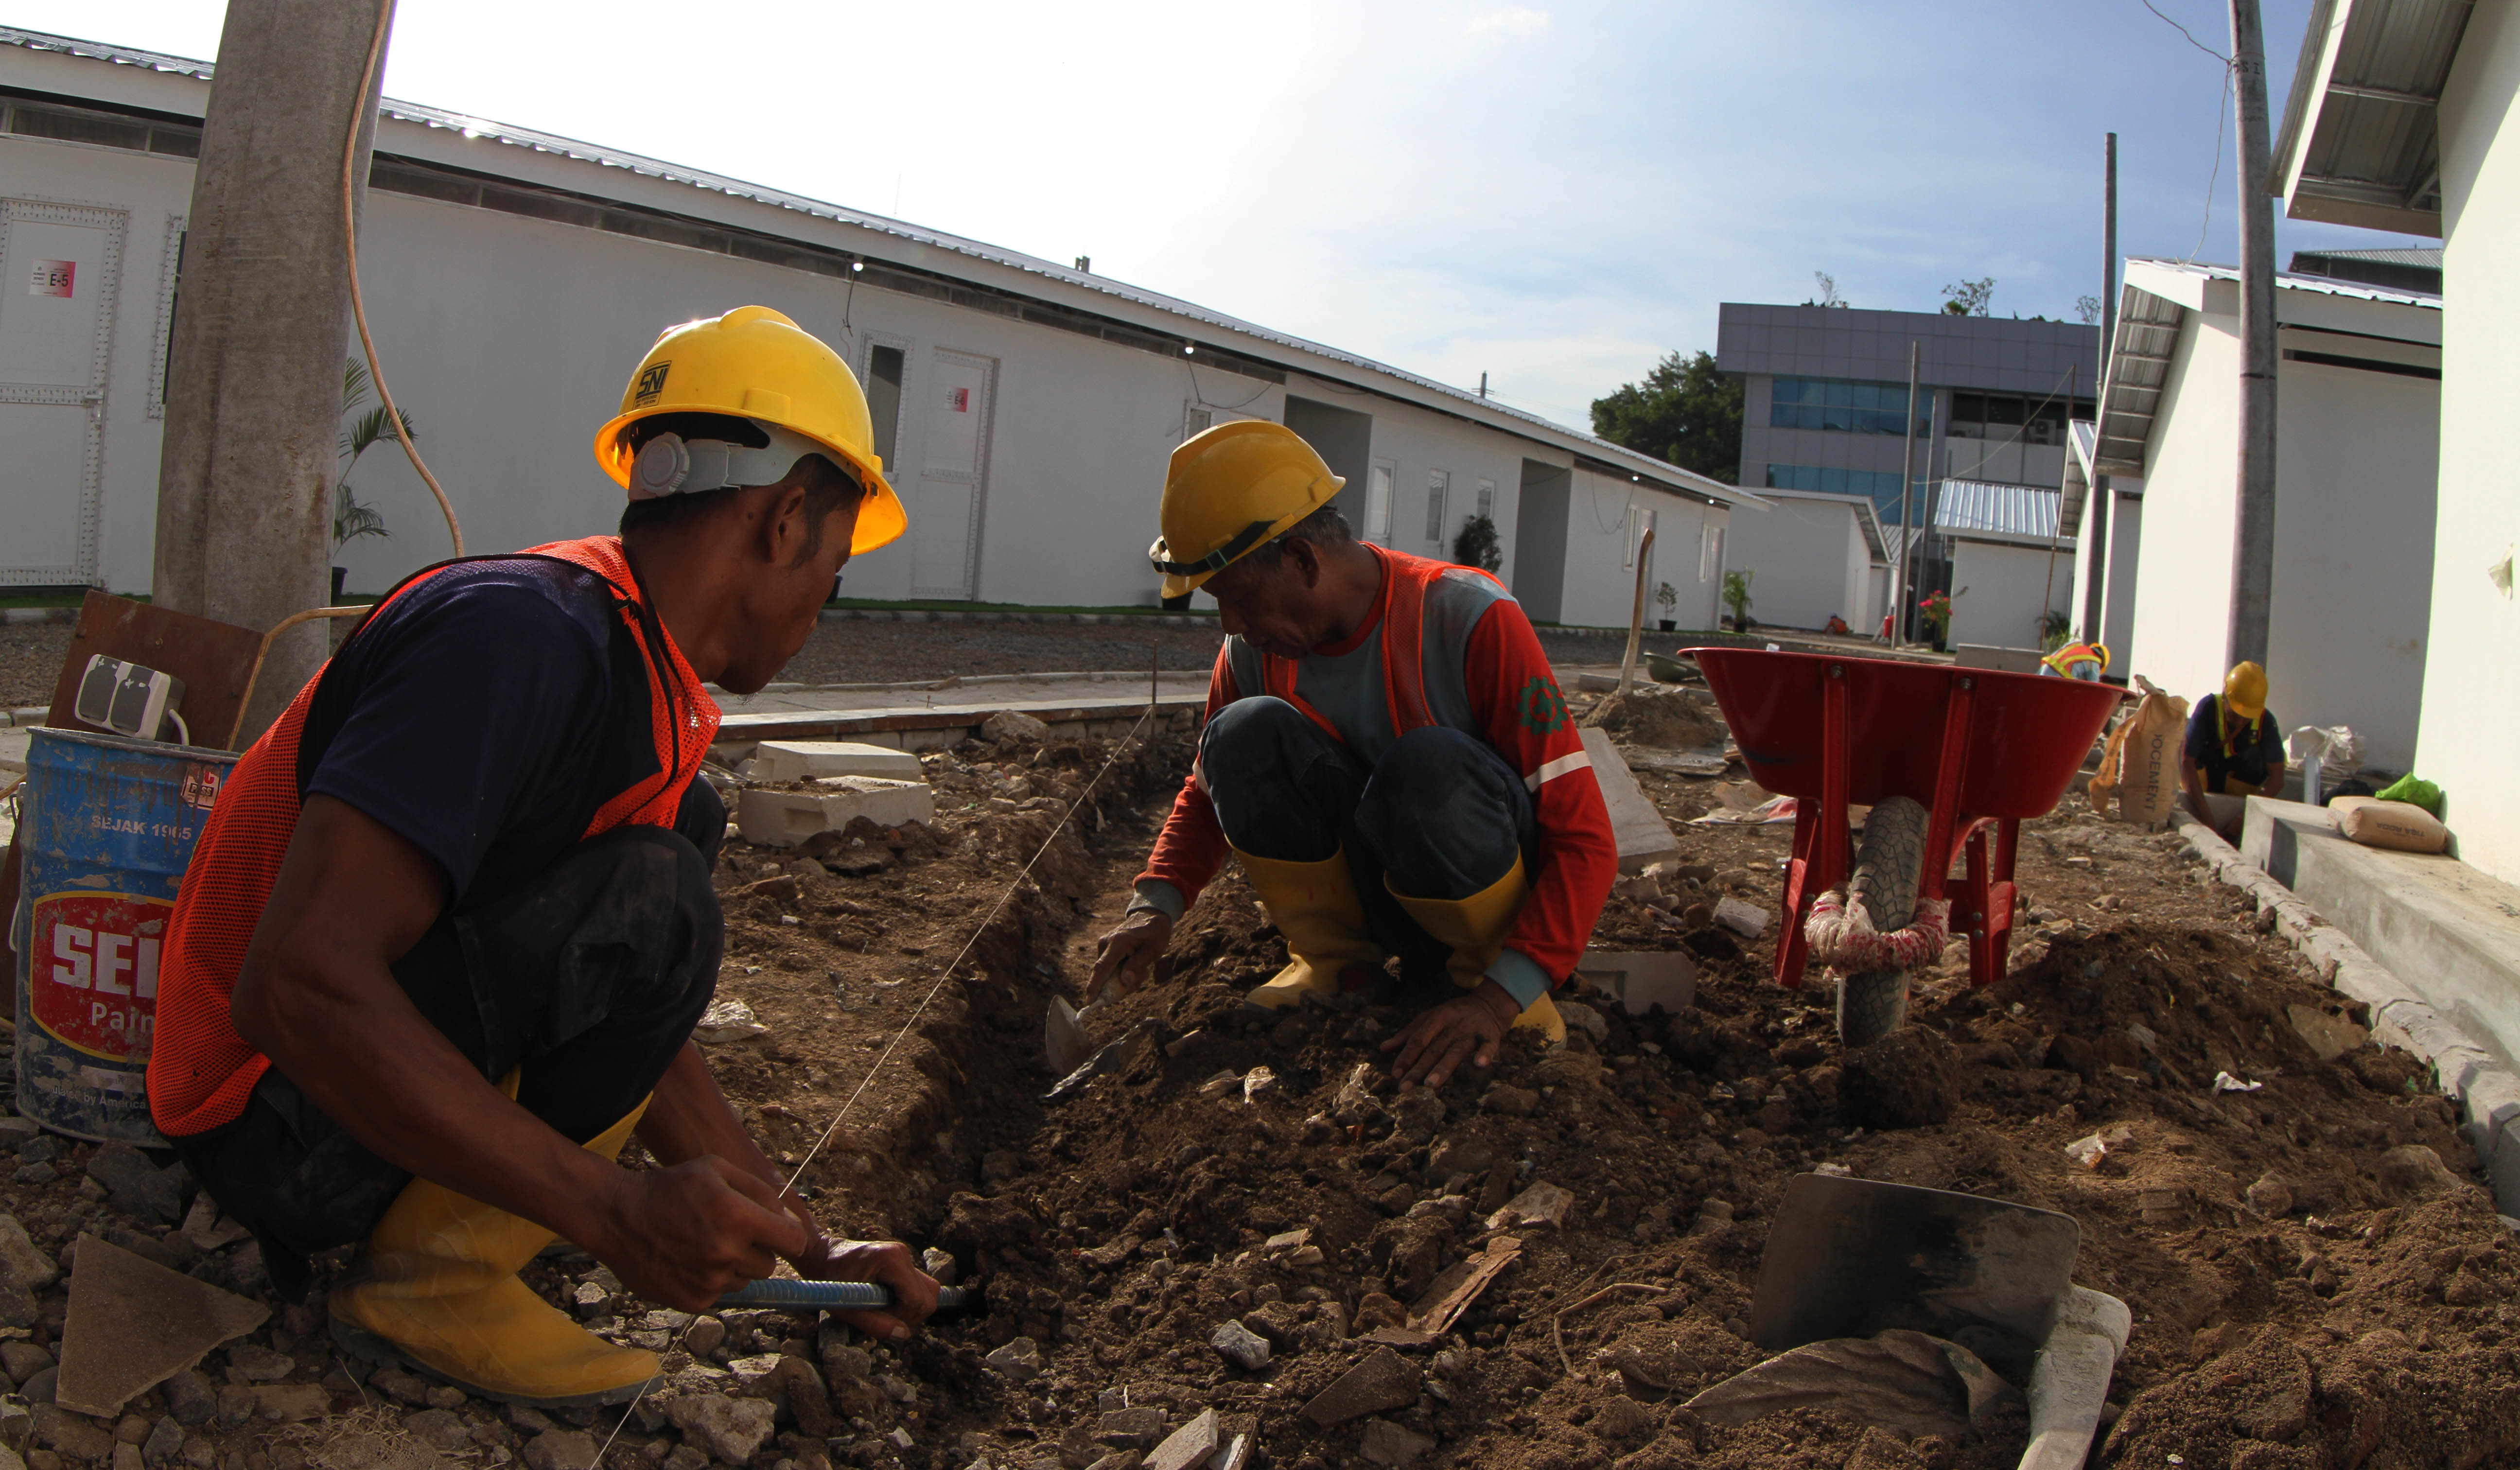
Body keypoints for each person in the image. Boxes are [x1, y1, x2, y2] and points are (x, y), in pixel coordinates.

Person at [147, 306, 938, 1408]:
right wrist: (612, 1212)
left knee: (677, 851)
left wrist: (812, 1247)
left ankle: (458, 1234)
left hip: (328, 1103)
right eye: (835, 573)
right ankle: (432, 1281)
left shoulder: (628, 677)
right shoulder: (513, 641)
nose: (820, 610)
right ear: (787, 520)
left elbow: (631, 1011)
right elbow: (295, 984)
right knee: (661, 895)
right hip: (265, 1131)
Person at [1087, 421, 1616, 1092]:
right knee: (1241, 733)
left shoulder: (1469, 618)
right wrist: (1156, 904)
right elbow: (1209, 789)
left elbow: (1585, 836)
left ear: (1303, 561)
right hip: (1379, 900)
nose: (1230, 624)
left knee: (1427, 767)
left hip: (1487, 912)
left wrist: (1499, 997)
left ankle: (1487, 982)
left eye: (1238, 598)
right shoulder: (1251, 654)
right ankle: (1340, 968)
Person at [2180, 659, 2285, 832]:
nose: (2241, 722)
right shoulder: (2208, 708)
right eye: (2236, 715)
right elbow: (2187, 762)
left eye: (2247, 718)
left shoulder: (2266, 721)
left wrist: (2240, 822)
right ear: (2225, 698)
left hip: (2236, 791)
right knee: (2192, 753)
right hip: (2204, 783)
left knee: (2256, 758)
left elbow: (2277, 779)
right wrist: (2207, 819)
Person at [2041, 641, 2109, 681]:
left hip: (2045, 669)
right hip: (2058, 677)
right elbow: (2094, 687)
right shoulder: (2095, 661)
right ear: (2102, 664)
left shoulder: (2079, 648)